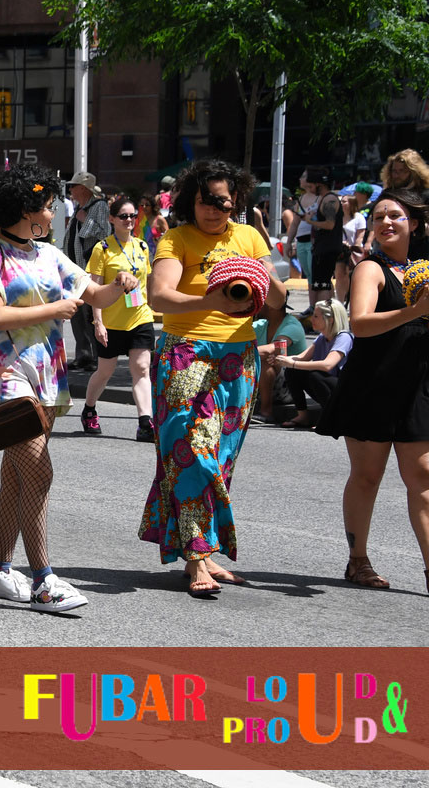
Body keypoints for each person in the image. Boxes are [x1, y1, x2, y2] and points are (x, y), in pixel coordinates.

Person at [0, 163, 139, 612]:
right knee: (39, 472)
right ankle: (43, 580)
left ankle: (0, 571)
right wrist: (55, 308)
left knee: (16, 477)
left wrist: (118, 285)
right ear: (25, 209)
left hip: (43, 372)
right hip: (2, 373)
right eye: (46, 205)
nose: (53, 212)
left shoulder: (47, 253)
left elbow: (92, 294)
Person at [140, 158, 286, 596]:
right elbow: (159, 297)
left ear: (236, 200)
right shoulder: (176, 238)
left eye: (222, 202)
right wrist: (213, 300)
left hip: (238, 358)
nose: (213, 210)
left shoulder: (249, 237)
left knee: (220, 458)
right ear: (191, 201)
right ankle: (198, 559)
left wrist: (260, 276)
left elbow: (277, 298)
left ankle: (202, 550)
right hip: (187, 354)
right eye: (205, 201)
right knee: (192, 452)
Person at [317, 188, 429, 591]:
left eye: (395, 216)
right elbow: (360, 324)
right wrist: (417, 311)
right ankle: (357, 559)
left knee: (424, 477)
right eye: (379, 216)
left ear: (413, 224)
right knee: (368, 476)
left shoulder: (422, 269)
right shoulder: (370, 268)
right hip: (373, 385)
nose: (385, 222)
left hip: (416, 386)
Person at [82, 197, 156, 441]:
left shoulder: (143, 247)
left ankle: (145, 422)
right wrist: (98, 322)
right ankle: (89, 408)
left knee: (142, 369)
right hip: (112, 322)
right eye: (123, 216)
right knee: (105, 371)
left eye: (133, 216)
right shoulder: (102, 249)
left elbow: (149, 282)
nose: (129, 220)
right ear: (111, 219)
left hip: (140, 317)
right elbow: (93, 288)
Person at [274, 299, 352, 429]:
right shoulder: (322, 337)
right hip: (330, 385)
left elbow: (327, 365)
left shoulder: (343, 337)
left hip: (345, 390)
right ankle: (302, 416)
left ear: (331, 319)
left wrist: (292, 363)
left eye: (316, 316)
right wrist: (281, 359)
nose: (311, 319)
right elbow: (301, 358)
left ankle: (331, 418)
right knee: (293, 371)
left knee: (314, 375)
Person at [64, 172, 110, 370]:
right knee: (76, 313)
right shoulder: (78, 208)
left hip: (89, 268)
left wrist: (85, 221)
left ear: (83, 188)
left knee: (89, 314)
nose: (71, 190)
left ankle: (95, 355)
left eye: (73, 186)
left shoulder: (99, 206)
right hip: (74, 269)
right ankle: (83, 355)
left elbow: (105, 232)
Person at [251, 302, 308, 424]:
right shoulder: (261, 324)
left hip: (290, 385)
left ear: (272, 305)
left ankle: (266, 412)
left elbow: (276, 349)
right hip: (265, 382)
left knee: (267, 361)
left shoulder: (292, 325)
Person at [298, 167, 342, 306]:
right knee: (321, 283)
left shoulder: (329, 199)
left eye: (311, 186)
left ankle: (324, 316)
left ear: (319, 185)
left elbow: (330, 224)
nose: (310, 189)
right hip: (323, 247)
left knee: (322, 284)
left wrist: (310, 220)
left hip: (326, 247)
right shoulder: (325, 199)